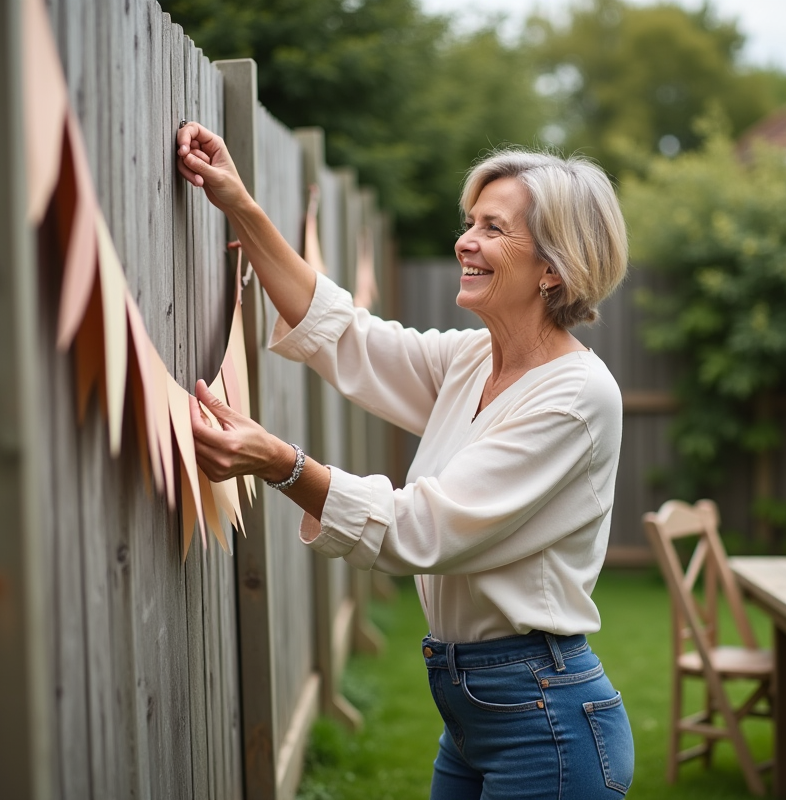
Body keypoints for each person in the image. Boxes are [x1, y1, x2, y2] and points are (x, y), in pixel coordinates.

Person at [176, 120, 633, 799]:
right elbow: (348, 338)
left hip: (546, 722)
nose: (465, 242)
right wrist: (238, 202)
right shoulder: (475, 359)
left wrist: (282, 464)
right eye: (469, 221)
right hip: (480, 709)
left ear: (553, 267)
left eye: (493, 228)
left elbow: (424, 530)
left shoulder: (575, 397)